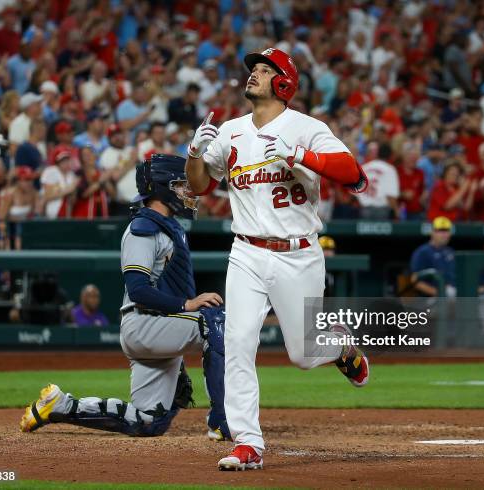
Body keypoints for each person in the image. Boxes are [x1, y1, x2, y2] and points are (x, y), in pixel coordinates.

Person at [185, 48, 369, 471]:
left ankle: (340, 347)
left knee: (303, 355)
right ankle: (247, 442)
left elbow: (354, 174)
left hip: (297, 253)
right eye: (254, 69)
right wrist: (196, 152)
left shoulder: (305, 127)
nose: (255, 75)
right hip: (246, 250)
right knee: (237, 342)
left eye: (265, 70)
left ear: (284, 83)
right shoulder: (230, 131)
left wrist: (302, 156)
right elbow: (197, 186)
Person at [20, 154, 230, 443]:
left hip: (158, 327)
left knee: (149, 421)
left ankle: (61, 406)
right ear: (162, 188)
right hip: (144, 323)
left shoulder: (167, 226)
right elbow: (139, 290)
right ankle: (223, 421)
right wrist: (188, 306)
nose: (187, 191)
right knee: (215, 321)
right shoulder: (143, 229)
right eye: (180, 185)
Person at [410, 216, 456, 298]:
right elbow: (415, 280)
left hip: (453, 296)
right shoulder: (423, 252)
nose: (444, 234)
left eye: (446, 231)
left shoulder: (451, 252)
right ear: (432, 232)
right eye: (440, 231)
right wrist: (439, 294)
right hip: (430, 299)